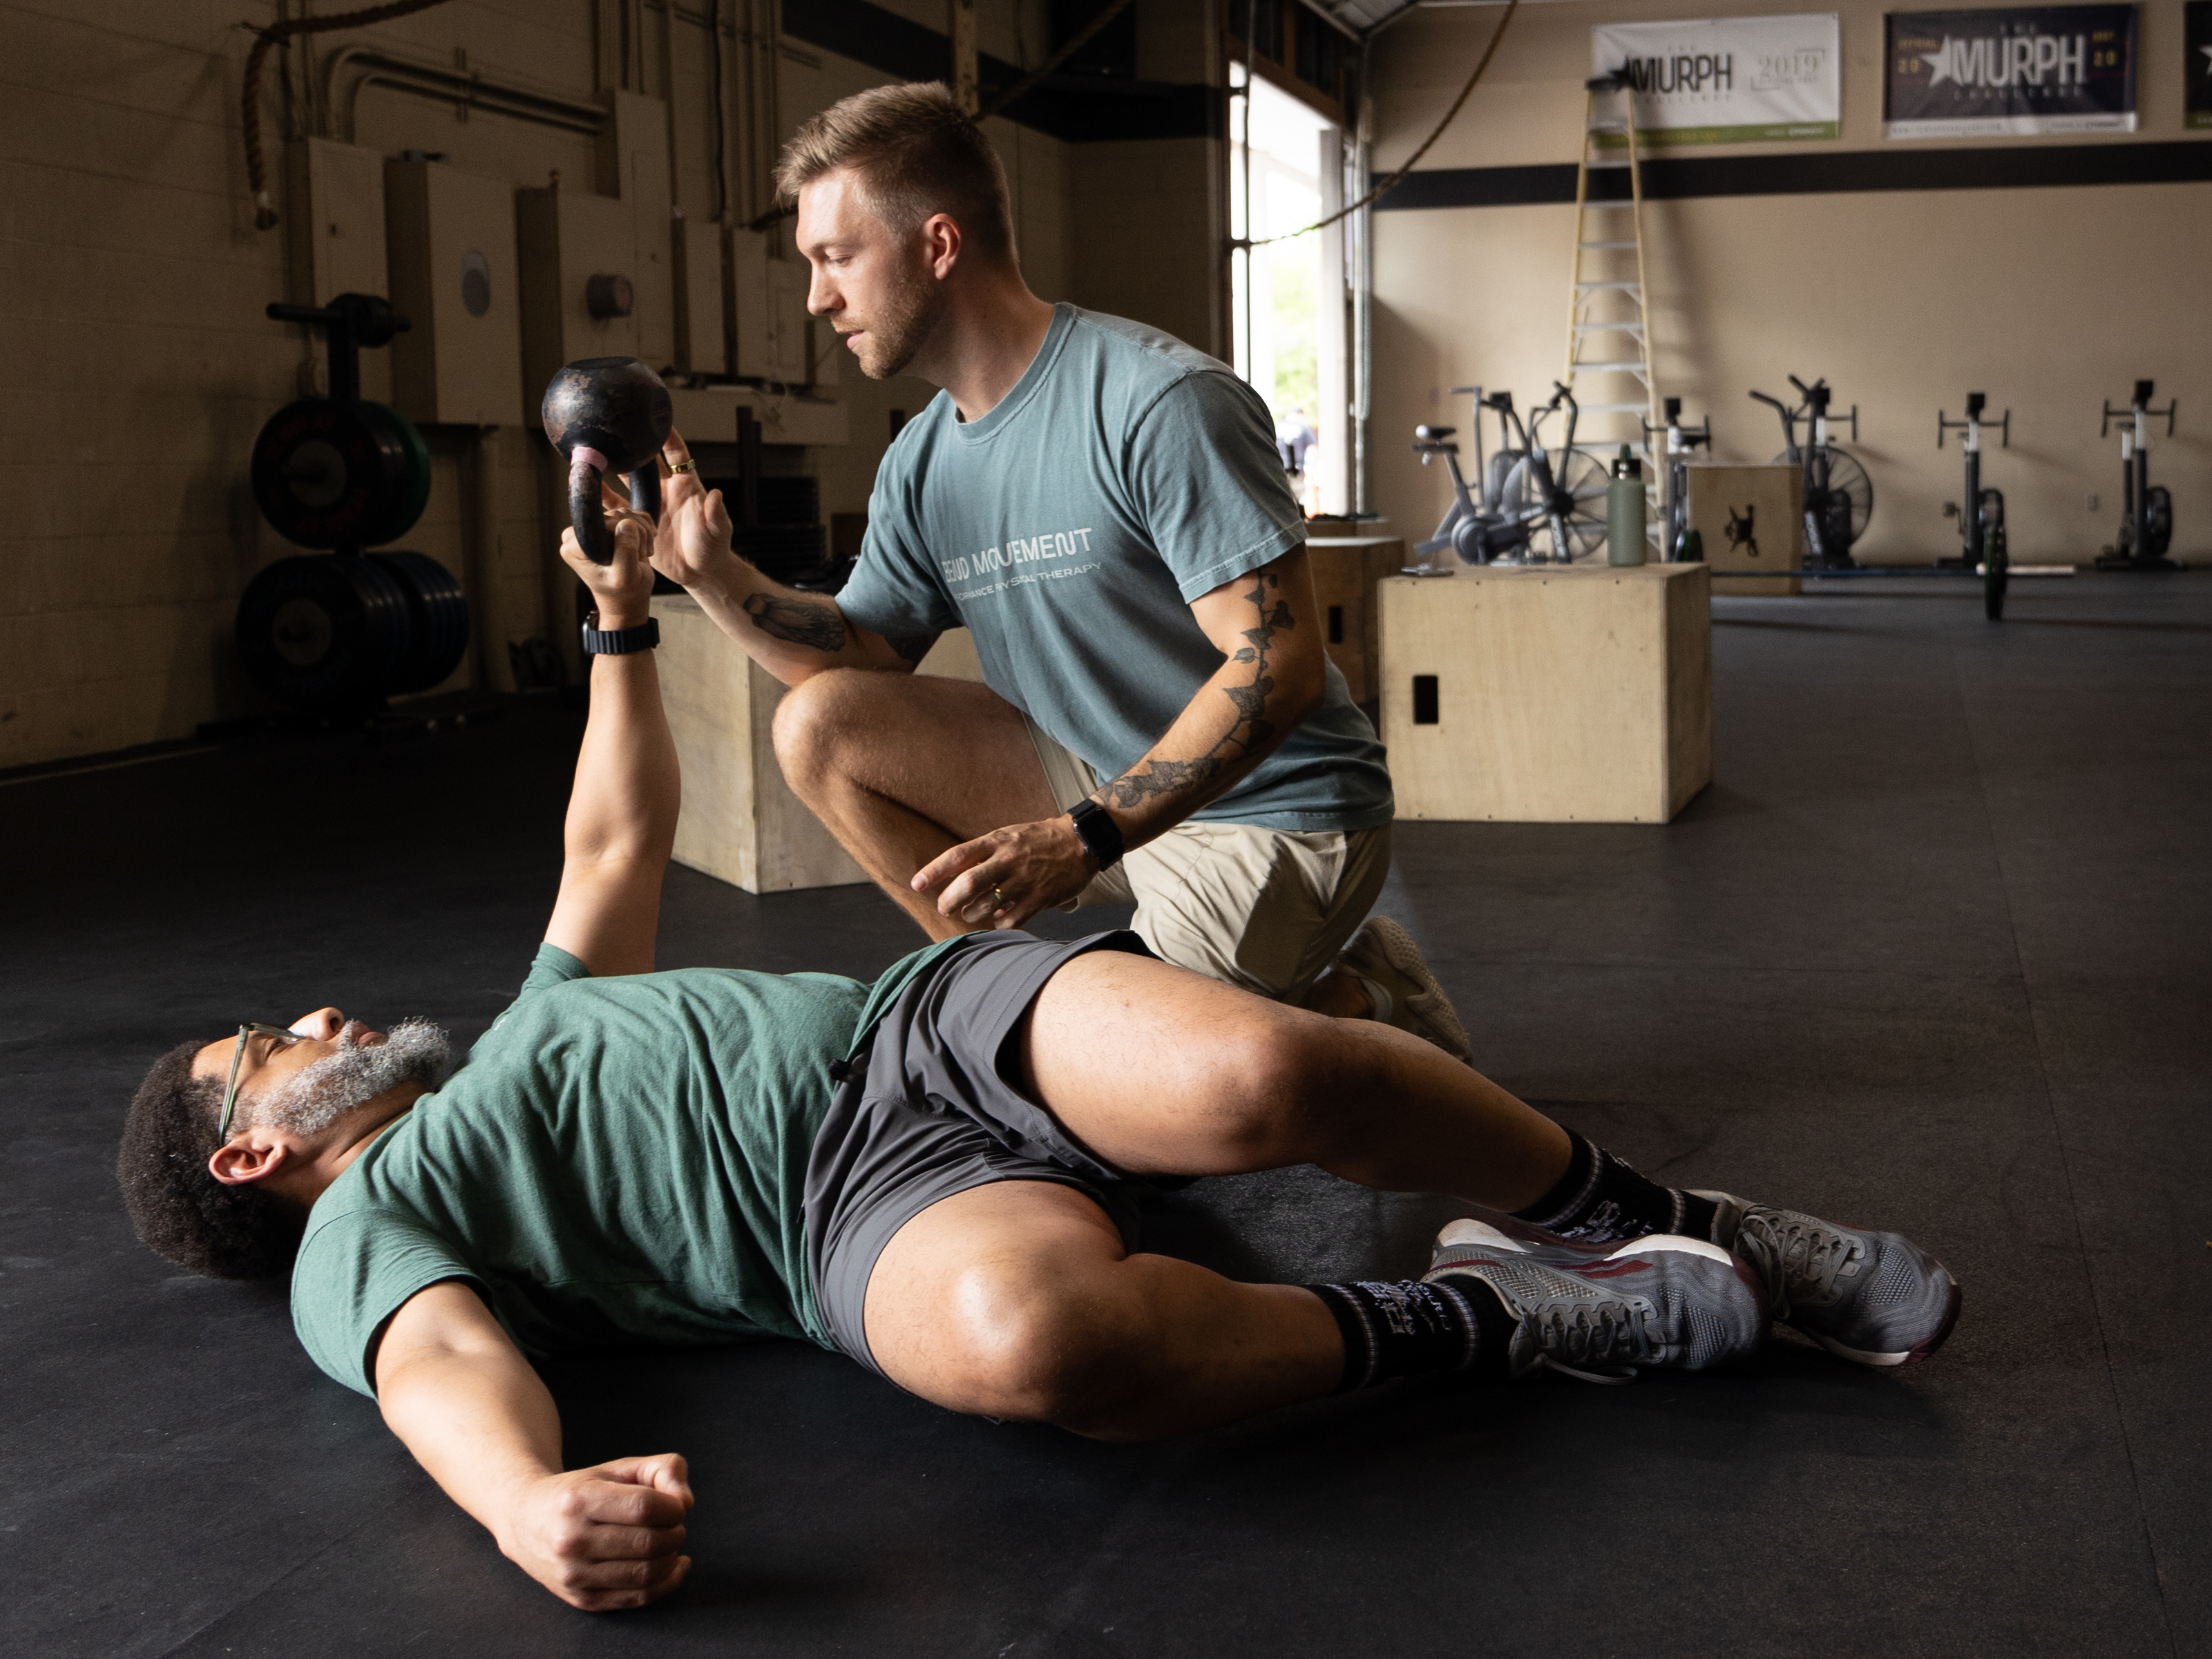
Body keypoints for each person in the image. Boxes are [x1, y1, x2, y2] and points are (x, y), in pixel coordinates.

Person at [117, 508, 1962, 1613]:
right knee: (1038, 1347)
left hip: (926, 1028)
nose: (322, 1020)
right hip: (851, 1224)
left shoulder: (533, 1017)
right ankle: (1504, 1312)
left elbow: (610, 838)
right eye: (270, 1047)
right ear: (249, 1153)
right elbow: (439, 1371)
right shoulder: (372, 1232)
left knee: (1268, 1084)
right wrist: (528, 1506)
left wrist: (617, 612)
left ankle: (1655, 1213)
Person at [642, 79, 1469, 1059]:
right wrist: (711, 576)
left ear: (938, 245)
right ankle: (1005, 996)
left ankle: (1369, 997)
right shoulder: (922, 460)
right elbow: (857, 655)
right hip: (1102, 773)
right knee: (819, 727)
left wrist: (1083, 835)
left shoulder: (1159, 401)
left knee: (1131, 1075)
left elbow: (1276, 668)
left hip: (1274, 810)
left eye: (836, 258)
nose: (818, 298)